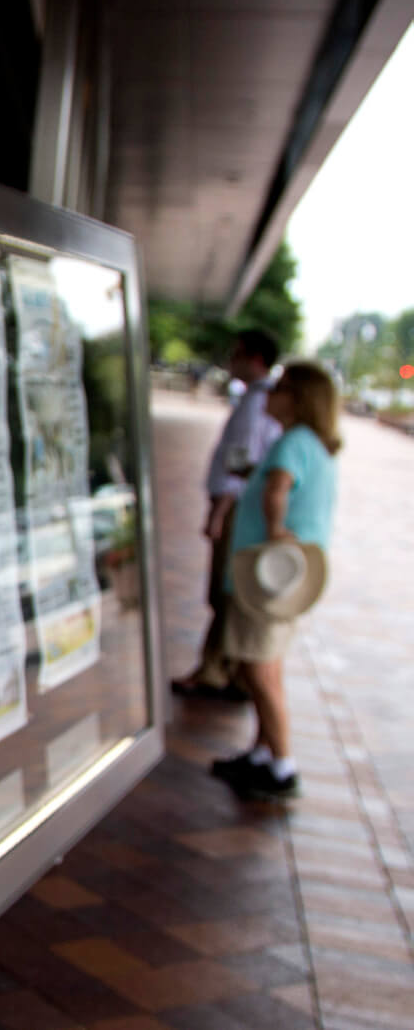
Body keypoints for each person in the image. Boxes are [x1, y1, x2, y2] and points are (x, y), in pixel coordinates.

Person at [211, 361, 340, 802]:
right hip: (284, 581)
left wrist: (274, 527)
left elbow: (277, 488)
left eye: (281, 388)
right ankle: (264, 752)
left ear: (300, 398)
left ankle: (282, 763)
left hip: (267, 579)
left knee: (259, 670)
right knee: (267, 664)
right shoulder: (311, 445)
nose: (271, 393)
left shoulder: (292, 443)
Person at [174, 328, 283, 700]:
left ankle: (215, 670)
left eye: (237, 354)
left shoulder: (256, 404)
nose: (230, 360)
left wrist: (219, 512)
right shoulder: (257, 399)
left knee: (224, 589)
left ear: (254, 359)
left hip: (234, 505)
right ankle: (229, 670)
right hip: (239, 505)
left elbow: (240, 464)